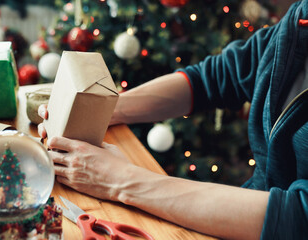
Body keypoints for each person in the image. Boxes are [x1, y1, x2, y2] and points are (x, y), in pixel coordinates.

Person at [37, 1, 308, 239]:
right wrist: (98, 109)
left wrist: (121, 180)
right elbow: (209, 80)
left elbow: (298, 218)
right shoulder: (299, 22)